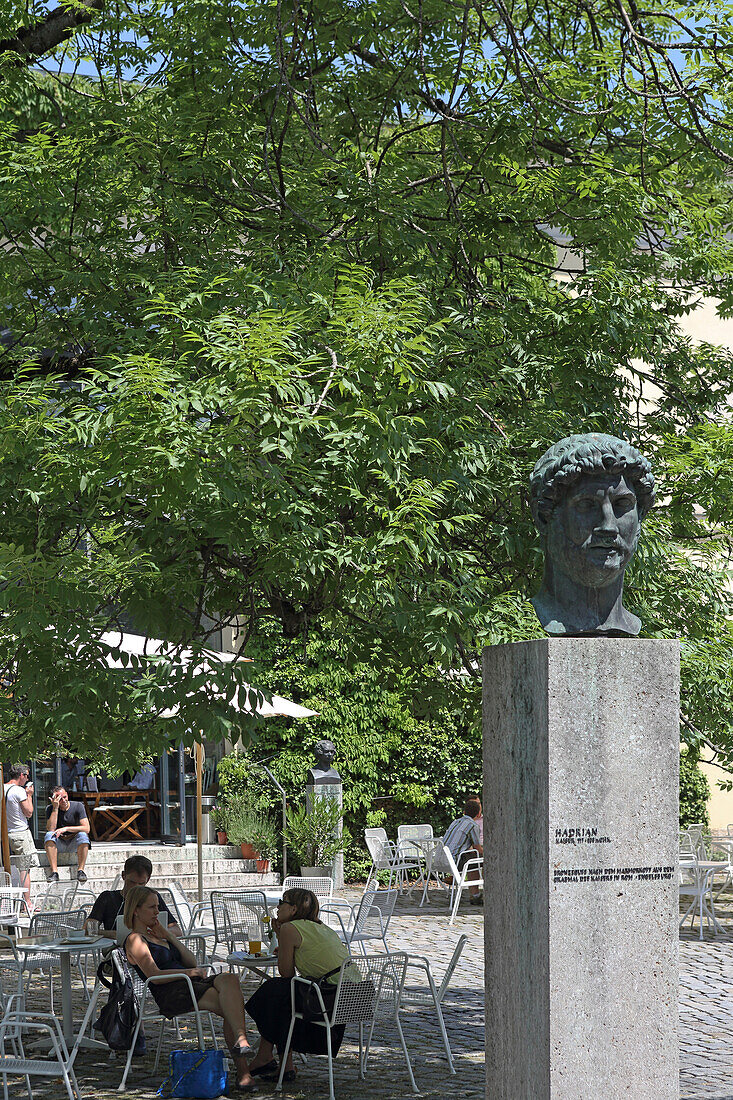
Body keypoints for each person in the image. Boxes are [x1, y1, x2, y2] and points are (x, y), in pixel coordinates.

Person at [123, 885, 255, 1093]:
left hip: (189, 984)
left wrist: (168, 935)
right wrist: (190, 973)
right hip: (171, 993)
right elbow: (154, 976)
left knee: (229, 979)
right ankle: (243, 1070)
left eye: (158, 906)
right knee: (231, 1007)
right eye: (152, 907)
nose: (157, 912)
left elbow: (190, 960)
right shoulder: (135, 939)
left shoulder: (158, 935)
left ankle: (241, 1041)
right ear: (136, 911)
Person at [529, 433, 656, 636]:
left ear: (640, 518)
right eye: (587, 505)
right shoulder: (521, 621)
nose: (608, 526)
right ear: (544, 518)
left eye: (622, 504)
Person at [246, 887, 361, 1084]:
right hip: (355, 996)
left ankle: (269, 1058)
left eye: (282, 902)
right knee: (282, 997)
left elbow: (287, 974)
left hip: (331, 999)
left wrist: (281, 935)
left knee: (275, 992)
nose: (278, 907)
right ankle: (281, 1064)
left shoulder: (290, 929)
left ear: (293, 909)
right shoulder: (322, 927)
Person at [85, 854, 182, 936]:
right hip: (116, 953)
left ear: (147, 880)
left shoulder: (153, 899)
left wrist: (158, 933)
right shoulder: (107, 898)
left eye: (141, 884)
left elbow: (177, 930)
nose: (135, 888)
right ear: (123, 876)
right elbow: (87, 929)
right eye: (131, 882)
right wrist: (115, 934)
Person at [4, 763, 35, 913]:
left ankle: (7, 902)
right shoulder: (19, 791)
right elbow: (29, 812)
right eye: (27, 776)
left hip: (5, 833)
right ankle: (26, 903)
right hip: (20, 833)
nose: (27, 779)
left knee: (6, 868)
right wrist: (29, 794)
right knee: (25, 869)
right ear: (22, 775)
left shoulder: (2, 788)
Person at [44, 786, 91, 883]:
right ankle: (54, 872)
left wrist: (66, 829)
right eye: (60, 799)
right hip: (59, 842)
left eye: (65, 797)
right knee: (49, 835)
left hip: (74, 842)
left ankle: (81, 870)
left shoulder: (78, 806)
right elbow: (51, 829)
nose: (64, 800)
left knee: (83, 835)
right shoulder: (50, 809)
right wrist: (55, 808)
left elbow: (87, 828)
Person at [443, 797, 483, 904]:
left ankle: (475, 894)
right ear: (479, 814)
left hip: (442, 861)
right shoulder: (473, 825)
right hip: (454, 862)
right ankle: (476, 895)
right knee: (477, 860)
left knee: (472, 858)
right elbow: (478, 849)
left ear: (464, 812)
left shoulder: (455, 822)